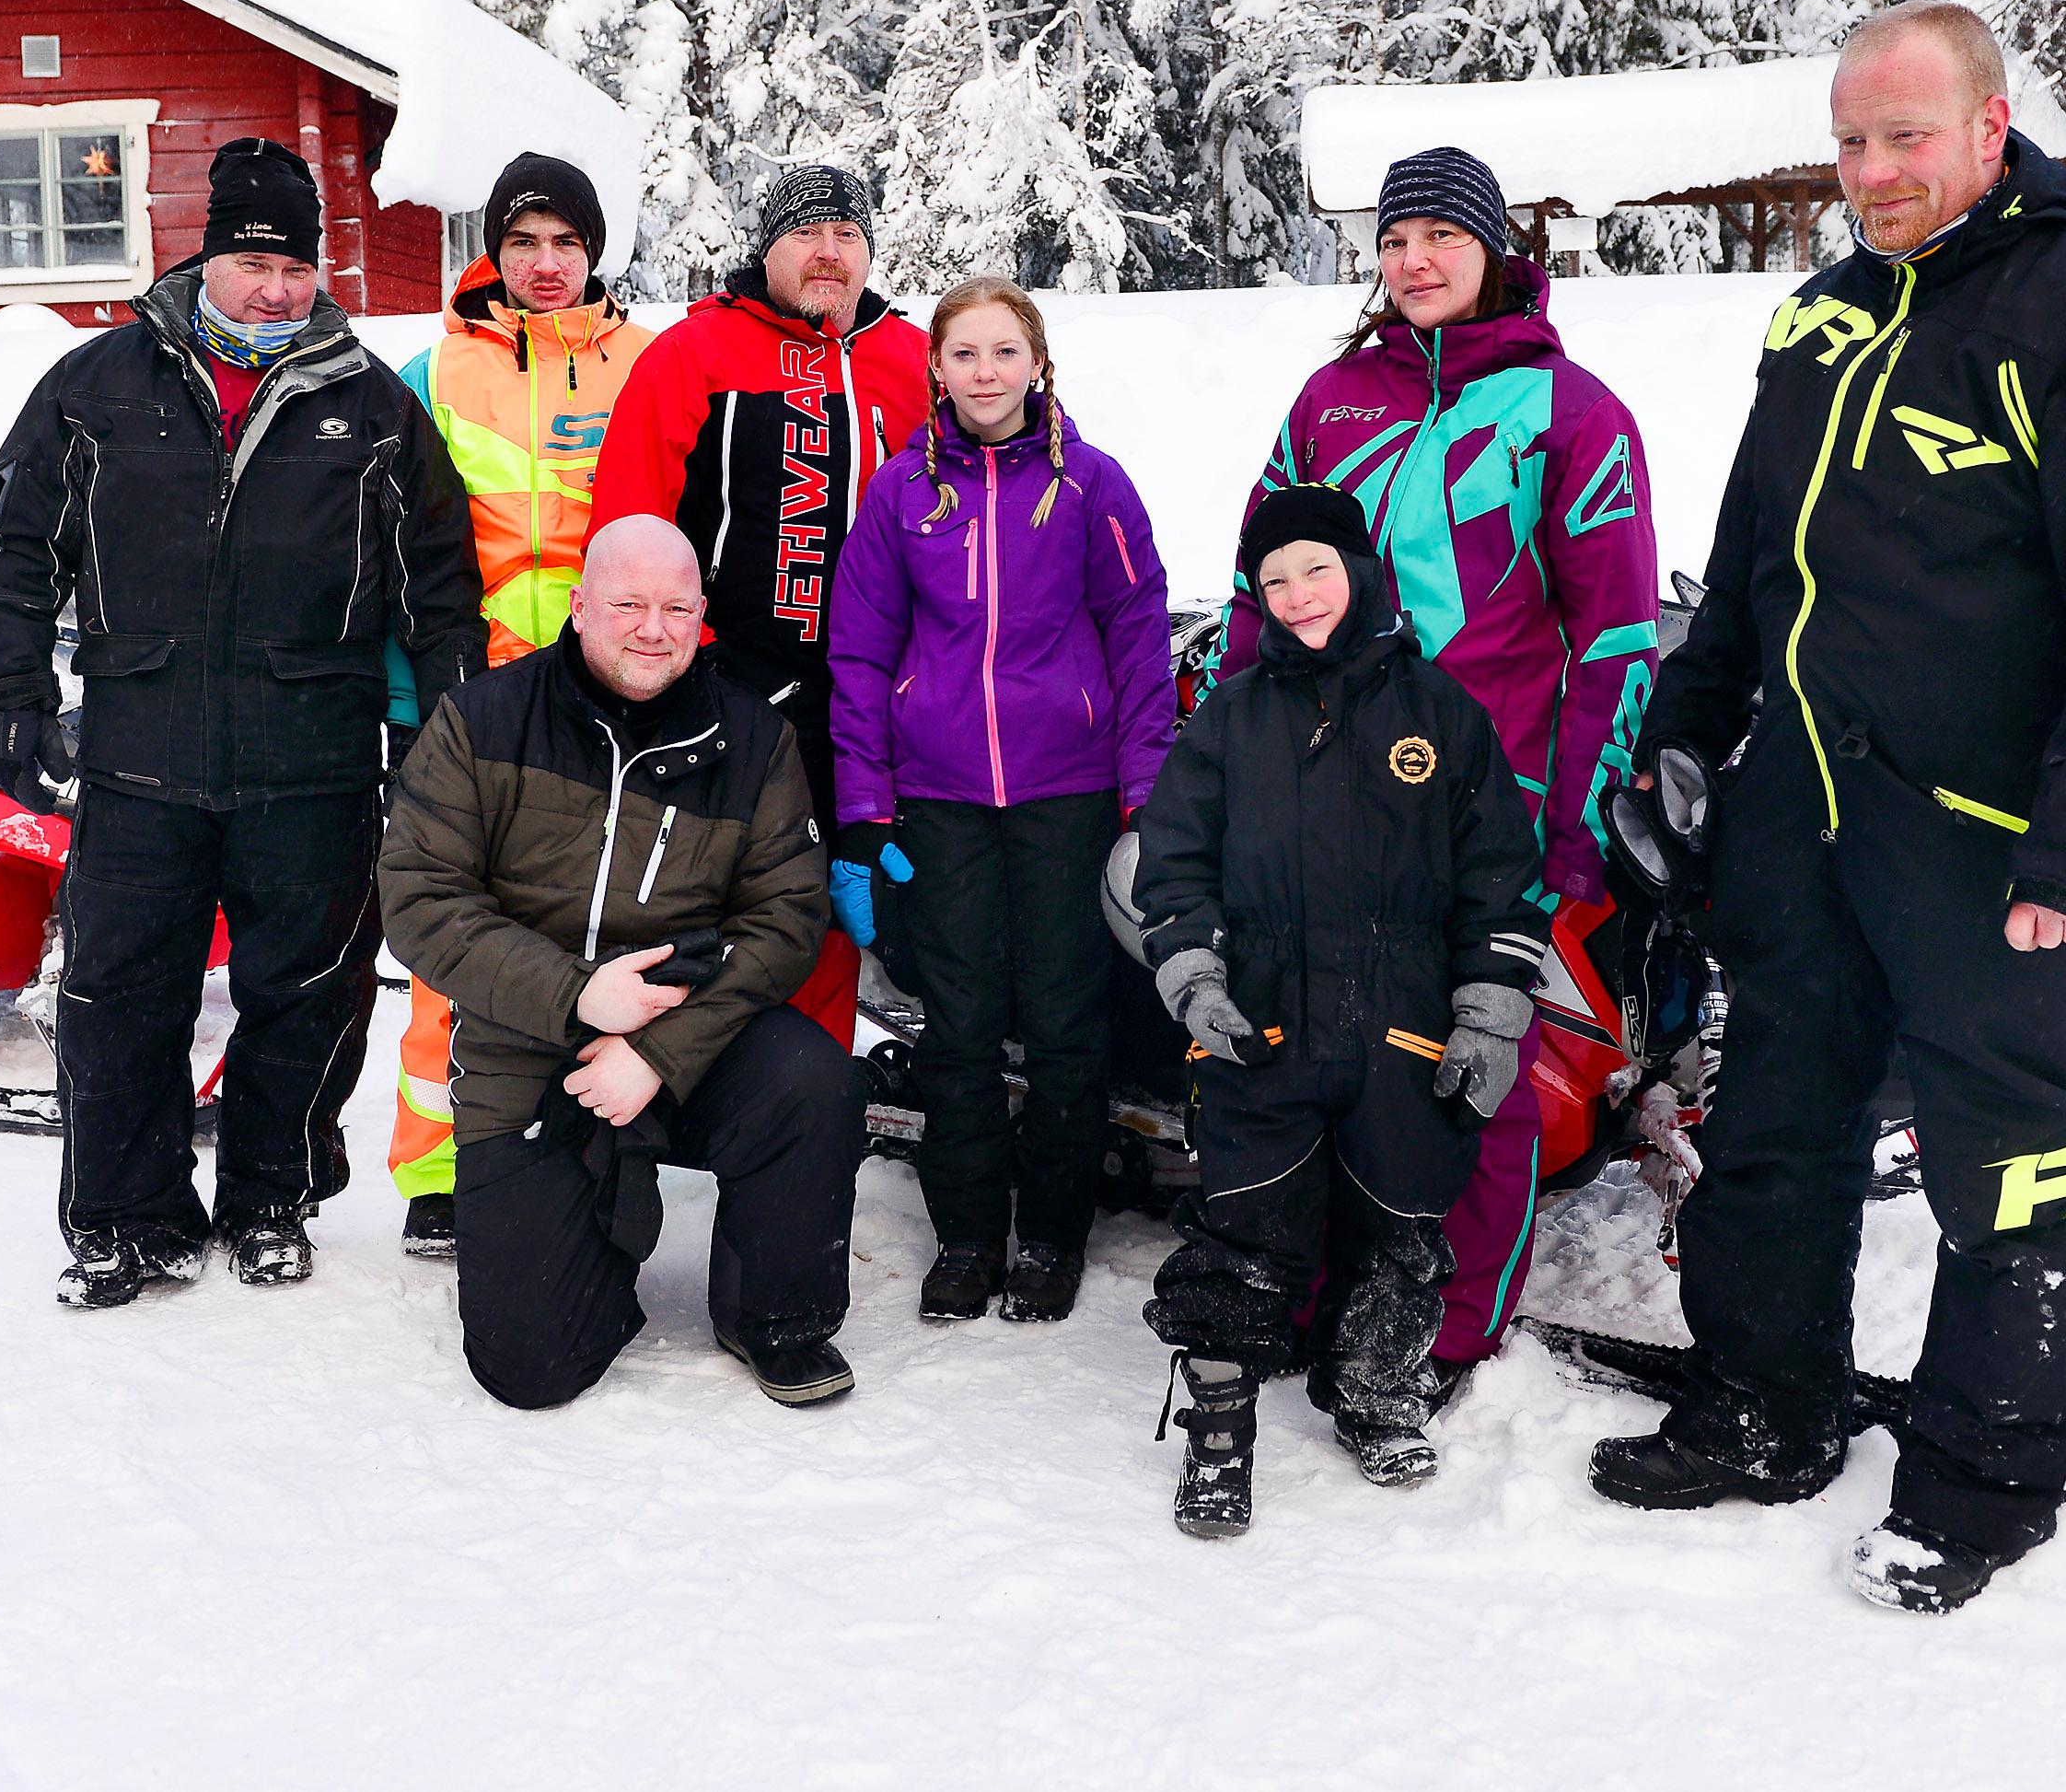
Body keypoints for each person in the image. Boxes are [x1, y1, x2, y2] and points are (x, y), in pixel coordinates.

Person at [1591, 1, 2066, 1612]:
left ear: (1989, 127)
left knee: (2005, 1160)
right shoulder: (1820, 319)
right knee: (1775, 1127)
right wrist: (1684, 735)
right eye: (1850, 139)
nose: (1870, 171)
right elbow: (1747, 569)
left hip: (1983, 841)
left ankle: (1984, 1481)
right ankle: (1763, 1406)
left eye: (1904, 137)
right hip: (1799, 815)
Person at [0, 136, 486, 1309]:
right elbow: (16, 551)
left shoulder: (370, 406)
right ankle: (122, 1213)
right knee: (118, 995)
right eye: (252, 259)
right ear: (206, 257)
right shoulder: (99, 385)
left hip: (310, 759)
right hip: (141, 755)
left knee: (309, 994)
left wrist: (436, 740)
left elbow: (439, 587)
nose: (273, 286)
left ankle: (270, 1199)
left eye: (294, 264)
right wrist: (12, 691)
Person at [1216, 145, 1660, 1392]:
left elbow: (1616, 637)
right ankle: (1320, 1293)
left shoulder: (1569, 412)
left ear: (1492, 250)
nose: (1412, 262)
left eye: (1439, 239)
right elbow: (1265, 593)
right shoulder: (1329, 399)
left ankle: (1454, 1323)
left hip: (1486, 798)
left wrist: (1572, 825)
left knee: (1481, 1064)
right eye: (1394, 240)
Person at [1132, 486, 1547, 1537]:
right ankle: (1218, 1434)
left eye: (1314, 569)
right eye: (1274, 582)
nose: (1298, 596)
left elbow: (1501, 872)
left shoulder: (1439, 710)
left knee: (1403, 1225)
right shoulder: (1230, 717)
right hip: (1258, 1022)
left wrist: (1491, 1010)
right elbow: (1172, 863)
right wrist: (1195, 977)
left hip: (1403, 1023)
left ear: (1360, 569)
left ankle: (1372, 1389)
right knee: (1243, 1227)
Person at [378, 515, 865, 1410]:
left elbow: (788, 915)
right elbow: (419, 897)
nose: (653, 626)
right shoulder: (482, 719)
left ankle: (775, 1317)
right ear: (579, 606)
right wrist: (578, 997)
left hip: (684, 1027)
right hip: (530, 1037)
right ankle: (588, 1232)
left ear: (701, 614)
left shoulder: (753, 742)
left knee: (813, 1081)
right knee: (529, 1368)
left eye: (676, 606)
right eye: (629, 603)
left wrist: (658, 1051)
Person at [826, 276, 1173, 1324]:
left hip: (1069, 795)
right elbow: (858, 653)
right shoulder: (899, 494)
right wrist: (863, 812)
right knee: (962, 1026)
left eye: (1004, 353)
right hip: (939, 801)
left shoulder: (1091, 488)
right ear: (936, 367)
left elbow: (1140, 640)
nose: (985, 373)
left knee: (1069, 1022)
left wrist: (1144, 802)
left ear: (1037, 365)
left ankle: (1055, 1235)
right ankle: (971, 1234)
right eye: (965, 354)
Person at [383, 152, 660, 1260]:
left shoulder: (649, 364)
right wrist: (413, 702)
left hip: (619, 694)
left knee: (613, 927)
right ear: (492, 251)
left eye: (567, 243)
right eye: (524, 242)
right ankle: (443, 1167)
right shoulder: (434, 373)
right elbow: (396, 554)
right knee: (461, 936)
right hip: (479, 700)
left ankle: (599, 1136)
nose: (546, 265)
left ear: (595, 253)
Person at [587, 164, 931, 1046]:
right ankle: (680, 1084)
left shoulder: (911, 356)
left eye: (847, 235)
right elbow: (631, 519)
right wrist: (672, 663)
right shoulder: (697, 352)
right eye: (805, 233)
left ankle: (806, 1105)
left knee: (835, 902)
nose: (827, 252)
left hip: (877, 696)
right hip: (728, 687)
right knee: (715, 901)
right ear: (766, 246)